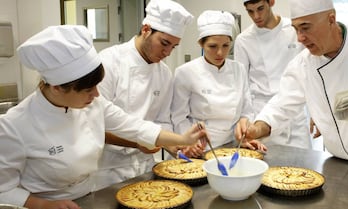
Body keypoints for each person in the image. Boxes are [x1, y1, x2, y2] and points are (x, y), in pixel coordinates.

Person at [0, 25, 205, 209]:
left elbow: (135, 126)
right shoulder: (14, 125)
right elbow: (4, 190)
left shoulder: (92, 104)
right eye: (88, 89)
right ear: (57, 87)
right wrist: (43, 204)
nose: (97, 95)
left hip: (91, 197)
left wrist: (183, 139)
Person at [236, 0, 348, 165]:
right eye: (296, 29)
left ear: (331, 19)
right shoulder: (303, 65)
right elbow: (281, 105)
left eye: (305, 28)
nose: (299, 38)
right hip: (341, 164)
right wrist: (256, 129)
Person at [95, 0, 193, 191]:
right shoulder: (108, 62)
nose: (167, 53)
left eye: (173, 47)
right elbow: (95, 124)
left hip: (144, 167)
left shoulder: (164, 73)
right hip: (107, 169)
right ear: (146, 29)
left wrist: (171, 145)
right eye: (164, 43)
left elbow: (162, 120)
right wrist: (138, 141)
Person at [171, 10, 267, 158]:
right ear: (201, 44)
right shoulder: (185, 72)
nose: (220, 53)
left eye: (226, 45)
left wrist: (244, 132)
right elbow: (178, 117)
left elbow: (246, 110)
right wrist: (189, 141)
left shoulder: (238, 69)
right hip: (198, 148)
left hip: (231, 147)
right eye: (213, 46)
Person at [234, 0, 312, 149]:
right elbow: (242, 87)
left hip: (294, 115)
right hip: (262, 117)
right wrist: (245, 121)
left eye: (260, 9)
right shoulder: (243, 40)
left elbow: (310, 73)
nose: (256, 16)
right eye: (250, 11)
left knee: (303, 168)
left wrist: (316, 113)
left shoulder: (294, 30)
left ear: (271, 2)